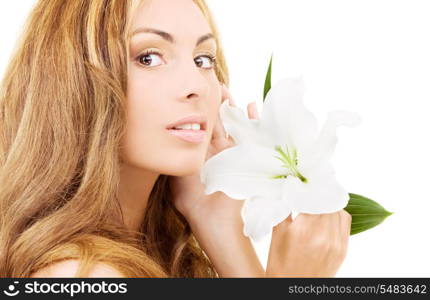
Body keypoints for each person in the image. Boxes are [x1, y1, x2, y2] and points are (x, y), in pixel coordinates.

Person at [0, 0, 352, 278]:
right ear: (71, 84)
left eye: (203, 59)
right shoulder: (80, 274)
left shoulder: (162, 254)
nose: (197, 85)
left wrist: (220, 227)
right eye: (149, 58)